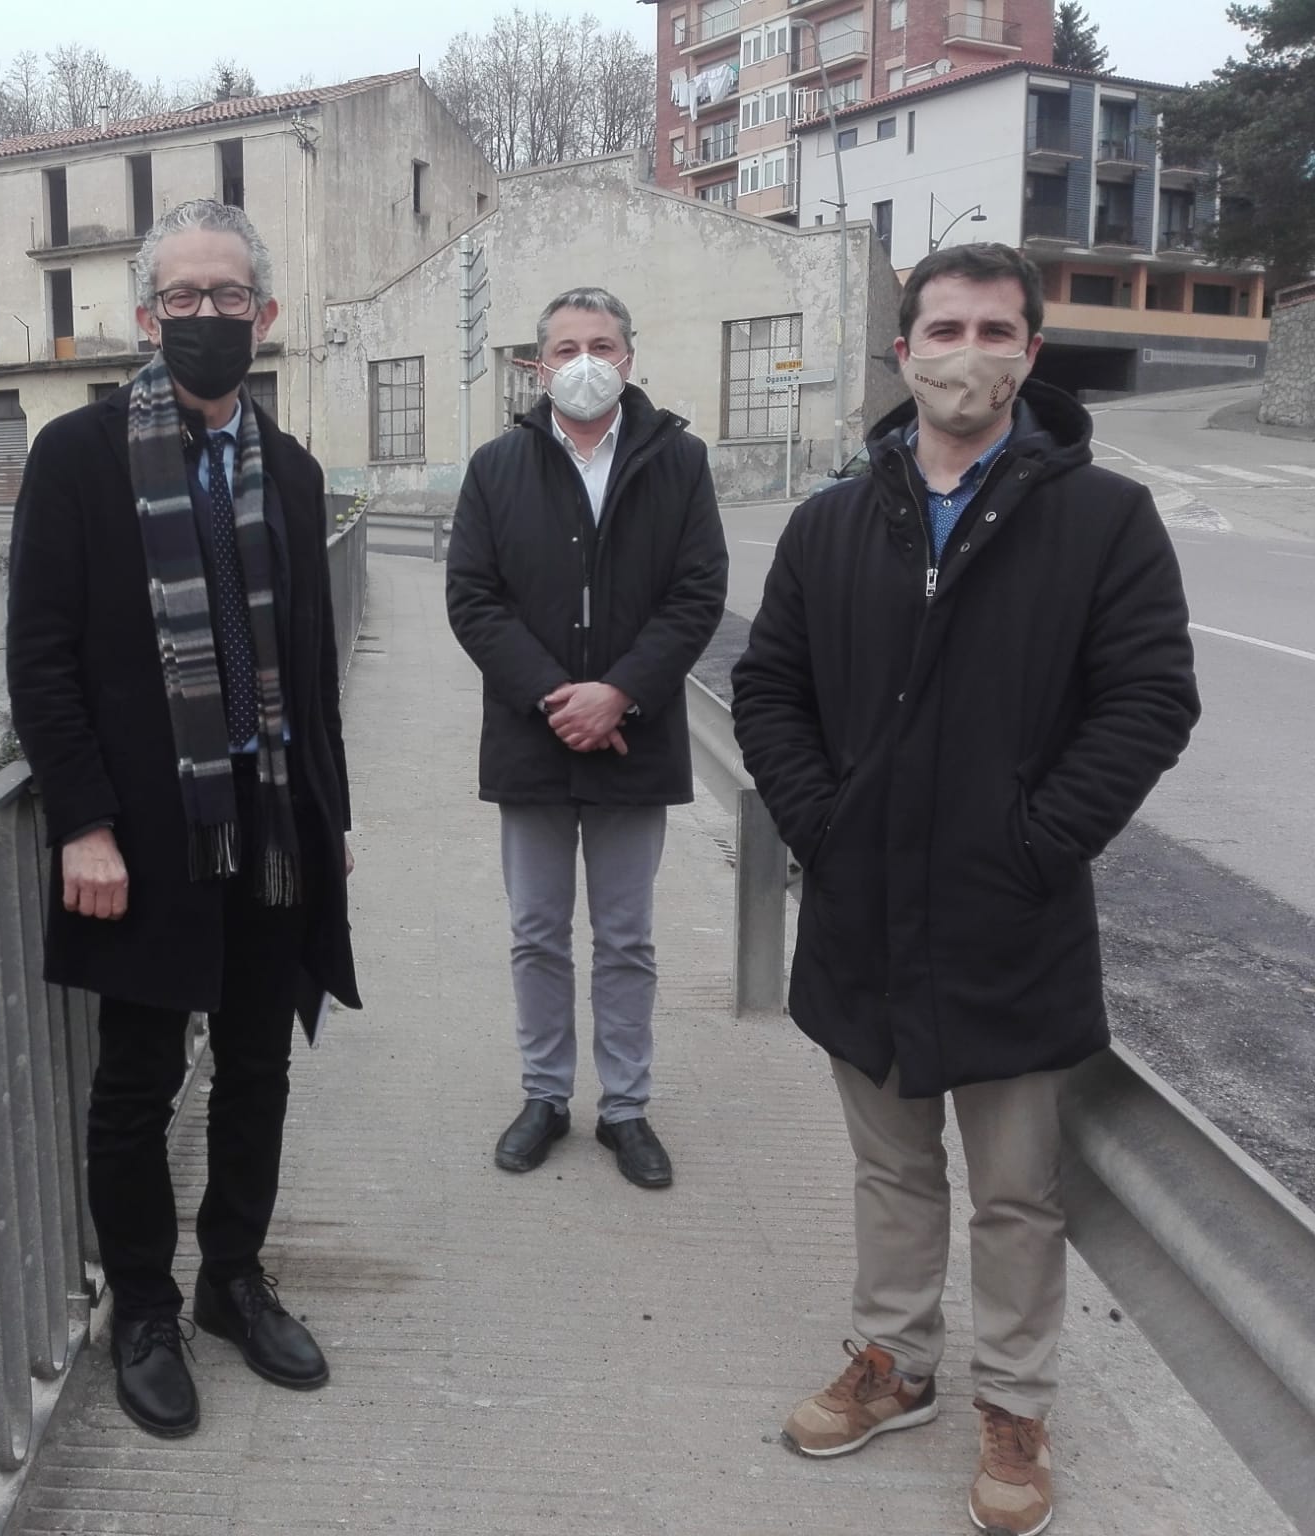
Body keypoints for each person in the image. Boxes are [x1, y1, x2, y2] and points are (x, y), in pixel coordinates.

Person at [730, 242, 1199, 1536]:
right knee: (890, 1172)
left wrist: (1036, 843)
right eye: (944, 330)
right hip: (863, 912)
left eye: (997, 332)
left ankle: (1015, 1404)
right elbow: (768, 687)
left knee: (1015, 1191)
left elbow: (1149, 699)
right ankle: (894, 1363)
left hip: (1013, 920)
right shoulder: (831, 523)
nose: (968, 354)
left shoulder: (1101, 520)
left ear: (1031, 355)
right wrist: (822, 824)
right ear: (904, 353)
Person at [5, 199, 359, 1439]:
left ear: (264, 314)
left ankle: (230, 1281)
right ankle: (144, 1310)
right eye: (182, 297)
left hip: (268, 825)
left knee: (258, 1067)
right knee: (139, 1083)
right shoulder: (77, 456)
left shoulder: (292, 471)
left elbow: (309, 666)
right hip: (148, 836)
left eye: (228, 296)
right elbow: (41, 657)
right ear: (146, 317)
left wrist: (330, 814)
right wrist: (83, 825)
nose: (206, 315)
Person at [446, 287, 728, 1188]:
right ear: (538, 366)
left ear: (629, 358)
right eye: (565, 347)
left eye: (601, 345)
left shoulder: (679, 462)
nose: (584, 362)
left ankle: (626, 1109)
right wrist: (554, 697)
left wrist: (621, 693)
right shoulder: (496, 466)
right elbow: (473, 598)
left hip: (634, 738)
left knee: (626, 937)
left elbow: (697, 593)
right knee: (536, 932)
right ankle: (544, 1097)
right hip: (530, 739)